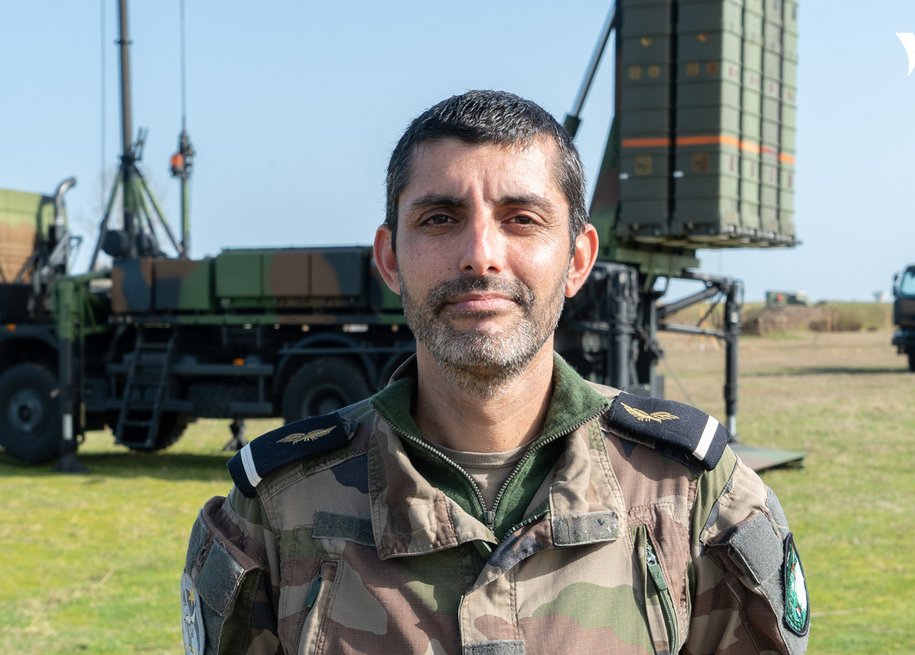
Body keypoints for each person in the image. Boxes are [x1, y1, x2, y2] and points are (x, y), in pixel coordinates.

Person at [181, 90, 809, 655]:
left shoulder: (693, 495)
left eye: (522, 218)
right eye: (439, 218)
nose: (480, 254)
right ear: (390, 259)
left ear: (577, 259)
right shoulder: (276, 511)